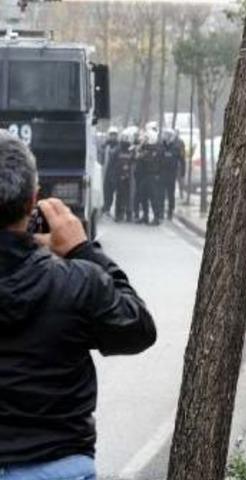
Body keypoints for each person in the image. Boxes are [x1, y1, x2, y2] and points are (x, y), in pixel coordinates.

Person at [0, 131, 156, 478]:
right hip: (57, 463)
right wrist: (83, 251)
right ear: (33, 201)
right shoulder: (78, 281)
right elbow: (137, 329)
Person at [134, 127, 162, 226]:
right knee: (143, 196)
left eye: (146, 138)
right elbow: (137, 156)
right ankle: (145, 216)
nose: (144, 139)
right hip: (144, 176)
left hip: (152, 176)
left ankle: (156, 217)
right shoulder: (144, 148)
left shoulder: (156, 149)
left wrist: (142, 155)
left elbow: (150, 160)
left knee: (153, 197)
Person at [158, 128, 185, 221]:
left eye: (168, 136)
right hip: (162, 173)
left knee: (170, 194)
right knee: (160, 193)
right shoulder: (161, 146)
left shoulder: (176, 147)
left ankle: (170, 211)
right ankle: (160, 211)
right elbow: (157, 159)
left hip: (171, 173)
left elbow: (182, 160)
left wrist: (182, 172)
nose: (167, 138)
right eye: (165, 135)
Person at [111, 129, 137, 223]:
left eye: (127, 138)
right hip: (119, 176)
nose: (125, 140)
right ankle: (118, 214)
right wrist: (114, 176)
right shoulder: (117, 150)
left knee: (129, 196)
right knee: (119, 196)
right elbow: (112, 163)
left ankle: (129, 214)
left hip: (129, 177)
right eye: (124, 138)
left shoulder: (132, 150)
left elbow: (134, 162)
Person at [101, 127, 120, 216]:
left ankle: (116, 209)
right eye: (111, 135)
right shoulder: (105, 145)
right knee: (106, 190)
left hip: (115, 172)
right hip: (106, 171)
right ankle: (106, 207)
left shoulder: (118, 146)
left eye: (114, 135)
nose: (113, 136)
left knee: (113, 191)